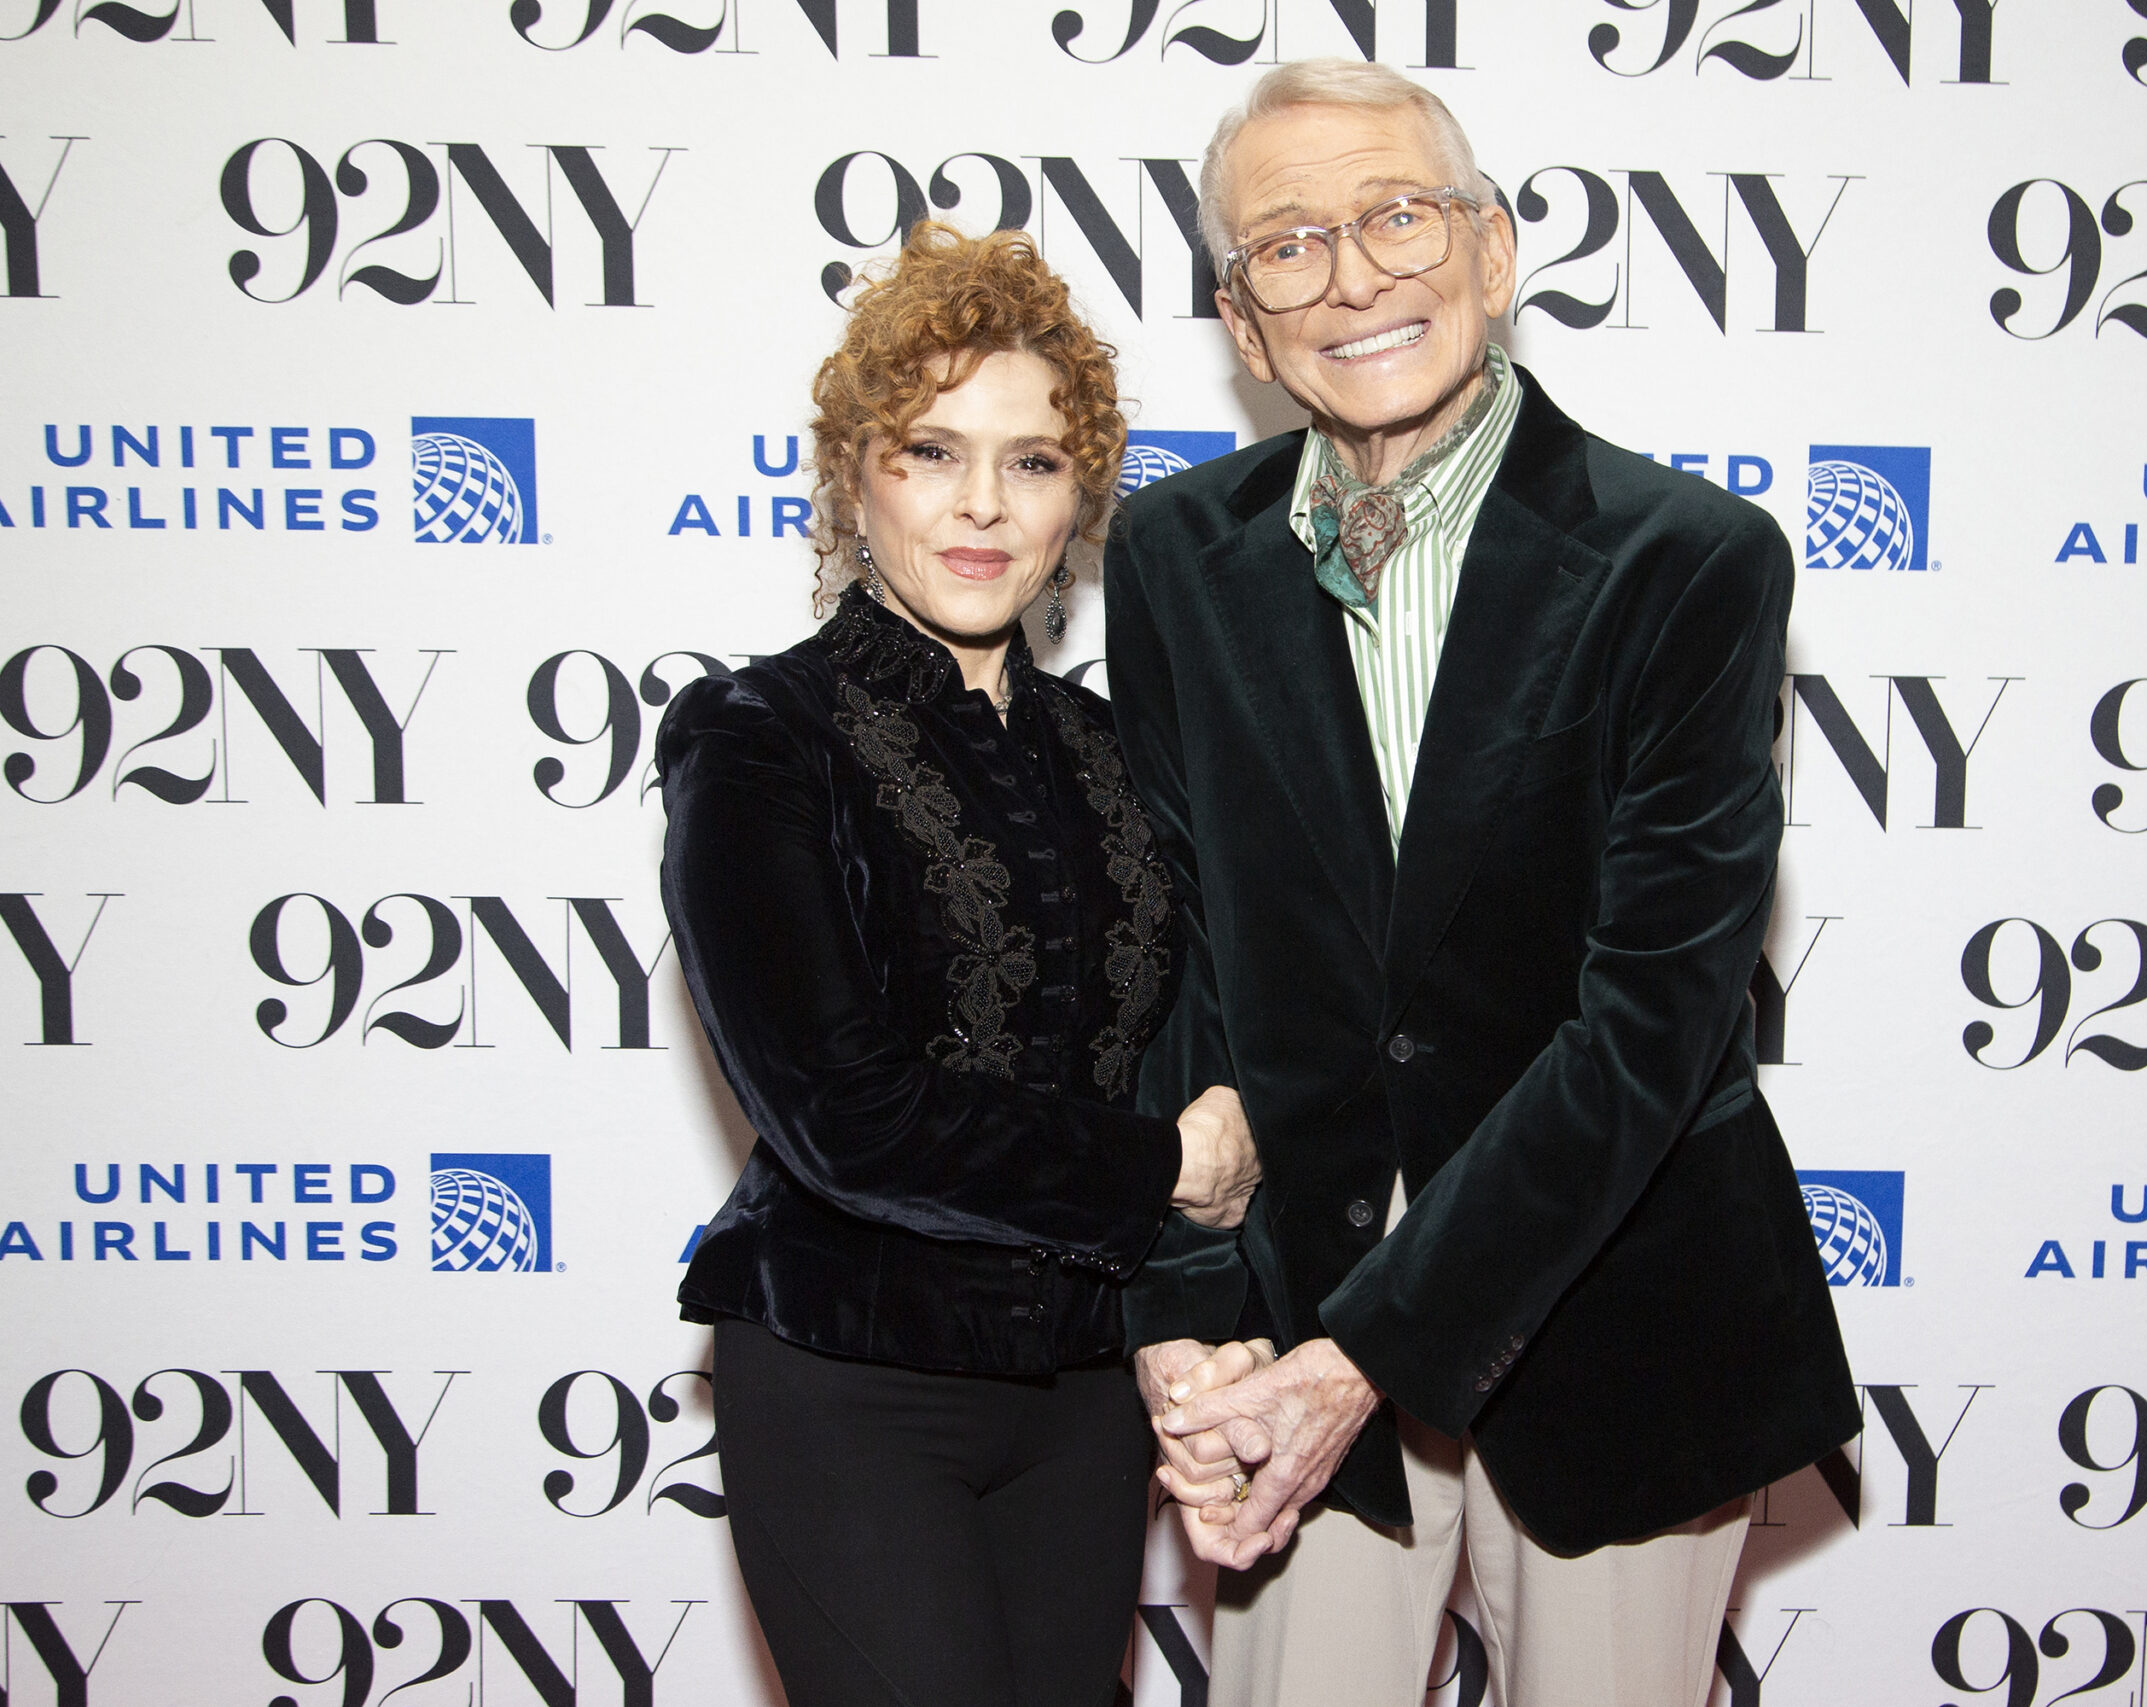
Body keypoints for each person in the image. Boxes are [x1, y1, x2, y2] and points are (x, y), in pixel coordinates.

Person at [1104, 61, 1860, 1707]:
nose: (1354, 274)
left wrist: (1367, 1352)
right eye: (1287, 245)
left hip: (1615, 1312)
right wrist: (1185, 1305)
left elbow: (1652, 1019)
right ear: (1243, 323)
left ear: (1495, 253)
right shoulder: (1173, 559)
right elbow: (1171, 964)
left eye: (1396, 215)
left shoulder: (1688, 560)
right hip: (1287, 1312)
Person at [657, 222, 1260, 1707]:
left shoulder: (1117, 754)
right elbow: (841, 1114)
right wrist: (1155, 1169)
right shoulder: (759, 739)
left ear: (1084, 497)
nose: (983, 505)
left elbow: (1201, 1035)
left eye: (1036, 462)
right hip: (853, 1381)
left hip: (1080, 1399)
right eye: (933, 451)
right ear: (857, 476)